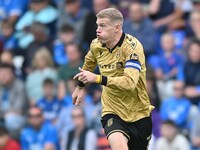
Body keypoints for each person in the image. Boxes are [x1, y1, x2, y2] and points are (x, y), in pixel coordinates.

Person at [72, 8, 154, 150]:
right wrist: (80, 87)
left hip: (139, 113)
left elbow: (130, 83)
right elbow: (89, 63)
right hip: (112, 111)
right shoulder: (96, 45)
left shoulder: (132, 48)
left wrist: (98, 78)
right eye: (98, 25)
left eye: (103, 26)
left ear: (117, 28)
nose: (97, 30)